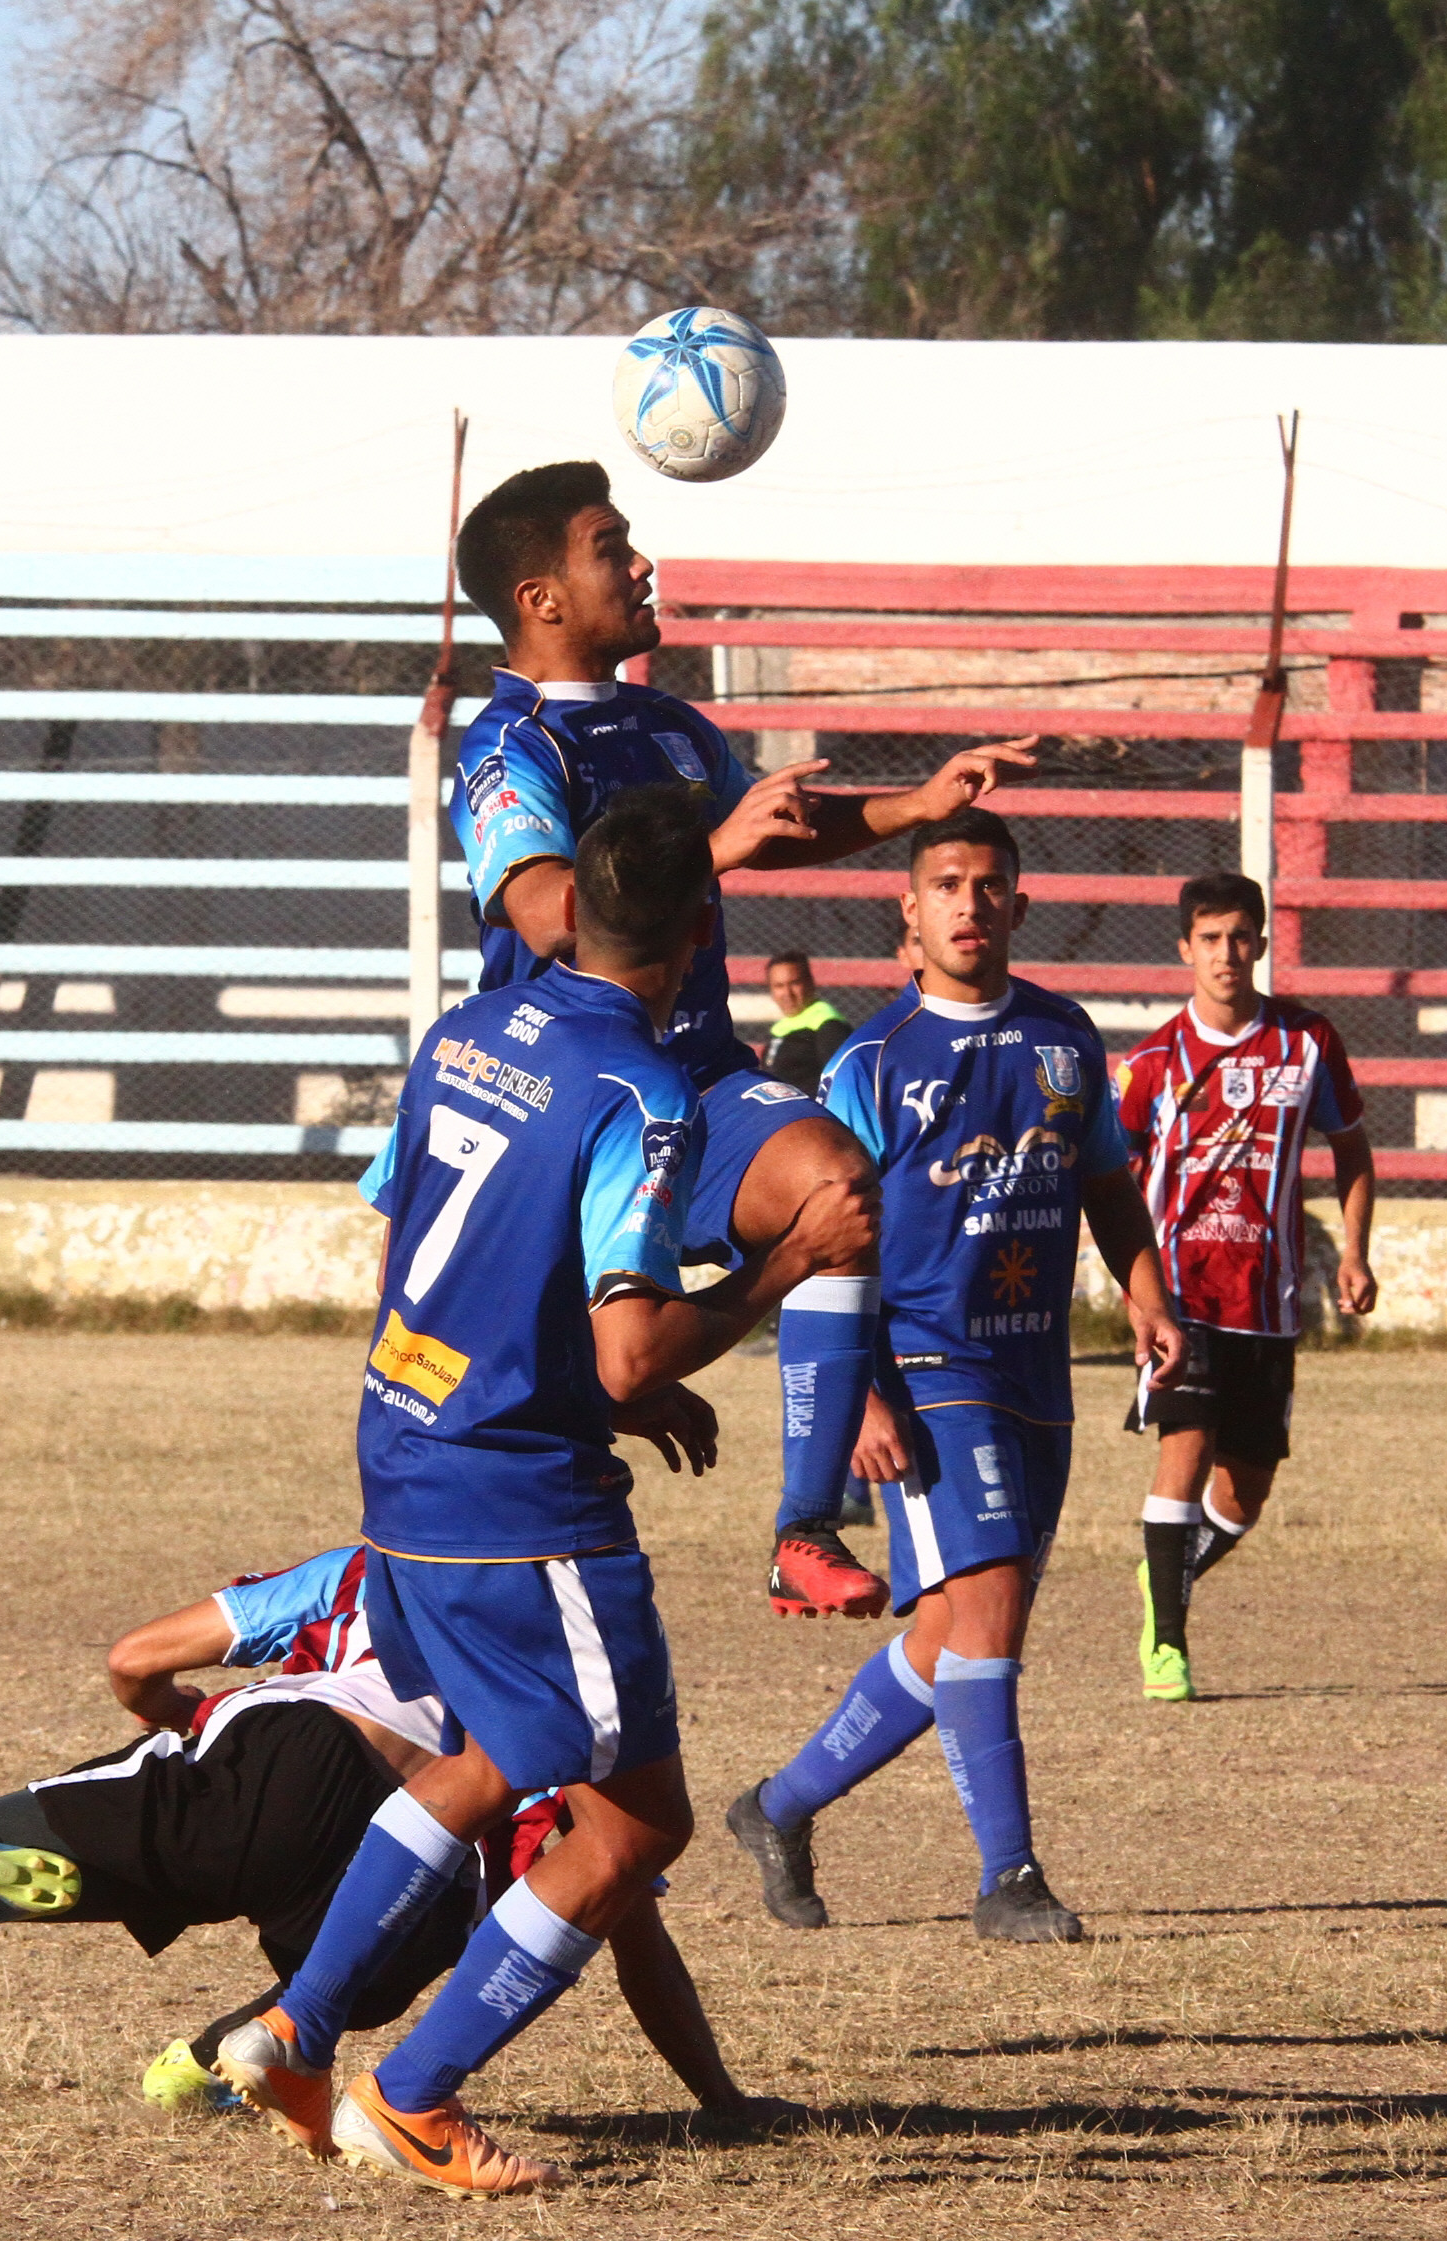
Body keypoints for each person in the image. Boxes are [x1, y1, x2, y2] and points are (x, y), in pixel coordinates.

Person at [214, 787, 874, 2195]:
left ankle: (296, 2029)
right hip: (519, 1504)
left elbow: (415, 1247)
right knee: (633, 1828)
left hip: (406, 1448)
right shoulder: (643, 1092)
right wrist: (786, 1263)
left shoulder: (463, 1030)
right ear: (700, 932)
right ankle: (411, 2095)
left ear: (568, 903)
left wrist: (584, 1386)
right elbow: (630, 1345)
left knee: (489, 1762)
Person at [445, 459, 1036, 1623]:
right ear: (540, 598)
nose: (641, 564)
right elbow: (544, 910)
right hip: (566, 1095)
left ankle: (803, 1530)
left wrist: (915, 808)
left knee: (837, 1188)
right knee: (544, 1392)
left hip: (698, 1075)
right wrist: (710, 852)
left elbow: (781, 827)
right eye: (610, 548)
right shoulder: (510, 749)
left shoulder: (665, 726)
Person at [0, 1539, 797, 2137]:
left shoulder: (370, 1563)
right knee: (357, 1980)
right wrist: (721, 2097)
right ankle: (217, 2056)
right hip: (415, 1889)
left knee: (137, 1817)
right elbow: (629, 1920)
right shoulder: (593, 1664)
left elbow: (133, 1659)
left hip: (304, 1754)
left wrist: (178, 1716)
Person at [722, 806, 1183, 1944]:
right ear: (909, 912)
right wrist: (860, 1393)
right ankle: (1008, 1879)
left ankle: (777, 1807)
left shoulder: (1064, 1038)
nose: (968, 903)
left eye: (987, 885)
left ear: (1018, 904)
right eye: (945, 885)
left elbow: (1106, 1184)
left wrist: (1148, 1293)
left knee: (951, 1635)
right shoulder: (870, 1062)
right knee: (987, 1610)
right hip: (925, 1361)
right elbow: (817, 1242)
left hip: (1034, 1370)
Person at [1115, 870, 1376, 1703]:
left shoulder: (1307, 1042)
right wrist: (1136, 1295)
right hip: (1179, 1297)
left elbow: (1351, 1147)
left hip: (1266, 1300)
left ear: (1260, 942)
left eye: (1239, 936)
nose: (1226, 952)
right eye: (1209, 938)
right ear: (1183, 948)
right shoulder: (1151, 1063)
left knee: (1244, 1492)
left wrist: (1355, 1253)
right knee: (1185, 1452)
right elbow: (1111, 1182)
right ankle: (1167, 1647)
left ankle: (1163, 1574)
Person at [761, 952, 851, 1095]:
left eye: (794, 983)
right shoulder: (780, 1028)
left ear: (810, 983)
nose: (787, 993)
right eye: (779, 986)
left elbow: (840, 1083)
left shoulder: (828, 1025)